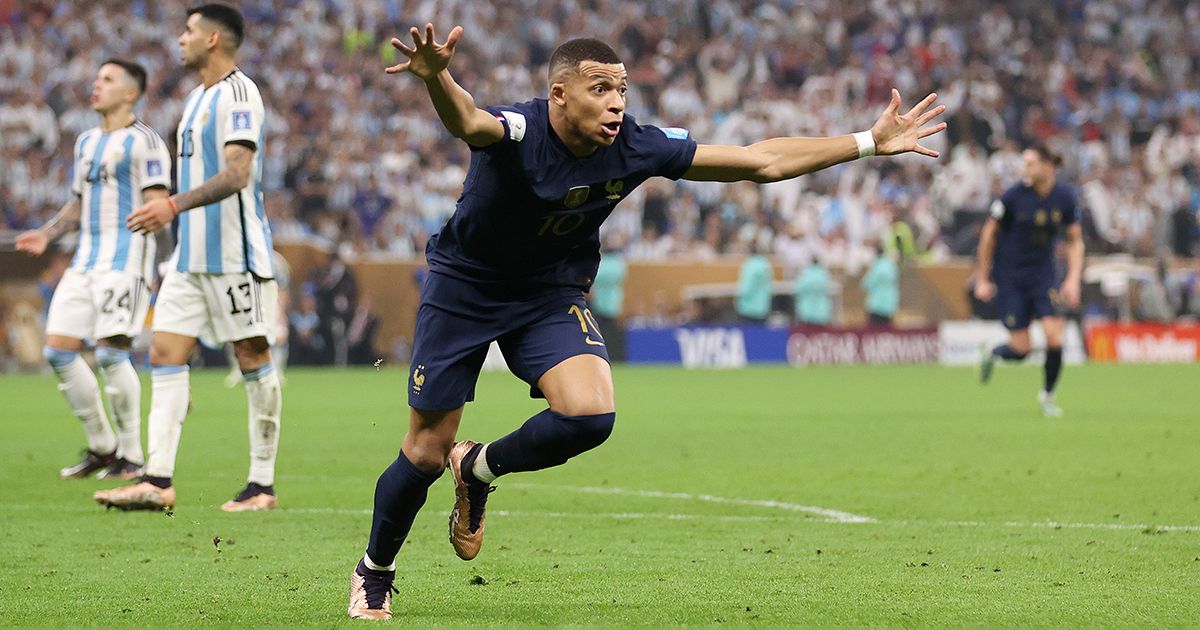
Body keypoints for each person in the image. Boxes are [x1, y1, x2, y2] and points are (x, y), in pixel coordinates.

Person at [347, 23, 946, 620]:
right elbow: (469, 121)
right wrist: (437, 78)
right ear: (559, 95)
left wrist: (867, 140)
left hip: (548, 292)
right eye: (601, 89)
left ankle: (478, 468)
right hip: (465, 289)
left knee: (590, 415)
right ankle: (375, 571)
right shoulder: (521, 128)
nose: (616, 103)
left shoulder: (636, 144)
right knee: (426, 451)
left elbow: (759, 161)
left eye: (622, 90)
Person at [94, 4, 282, 512]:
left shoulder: (241, 93)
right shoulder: (196, 98)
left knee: (252, 357)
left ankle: (261, 485)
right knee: (164, 354)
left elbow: (238, 172)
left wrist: (171, 204)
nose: (180, 39)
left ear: (214, 39)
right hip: (188, 257)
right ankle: (157, 480)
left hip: (236, 256)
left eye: (189, 31)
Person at [15, 59, 170, 481]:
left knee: (109, 352)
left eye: (107, 79)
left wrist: (164, 262)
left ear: (130, 93)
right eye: (97, 78)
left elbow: (159, 204)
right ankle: (103, 447)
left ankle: (132, 456)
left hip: (127, 259)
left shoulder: (146, 142)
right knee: (58, 350)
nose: (96, 85)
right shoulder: (85, 142)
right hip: (85, 260)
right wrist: (48, 234)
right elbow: (78, 203)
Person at [975, 144, 1084, 417]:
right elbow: (989, 235)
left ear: (1048, 166)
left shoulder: (1065, 198)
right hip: (1011, 277)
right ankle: (992, 351)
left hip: (1043, 275)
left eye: (1030, 163)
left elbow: (1075, 241)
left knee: (1054, 336)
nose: (1025, 169)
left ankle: (1047, 395)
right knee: (1021, 349)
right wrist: (983, 278)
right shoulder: (1012, 197)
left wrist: (1072, 279)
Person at [861, 244, 900, 326]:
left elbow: (866, 284)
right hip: (890, 305)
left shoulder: (877, 266)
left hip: (876, 305)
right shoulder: (891, 266)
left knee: (874, 334)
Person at [734, 243, 774, 324]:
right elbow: (770, 287)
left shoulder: (749, 265)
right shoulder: (766, 264)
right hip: (763, 308)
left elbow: (745, 288)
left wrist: (737, 301)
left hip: (748, 309)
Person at [794, 256, 833, 326]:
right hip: (821, 311)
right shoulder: (824, 274)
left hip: (806, 310)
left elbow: (798, 289)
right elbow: (827, 288)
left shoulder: (805, 274)